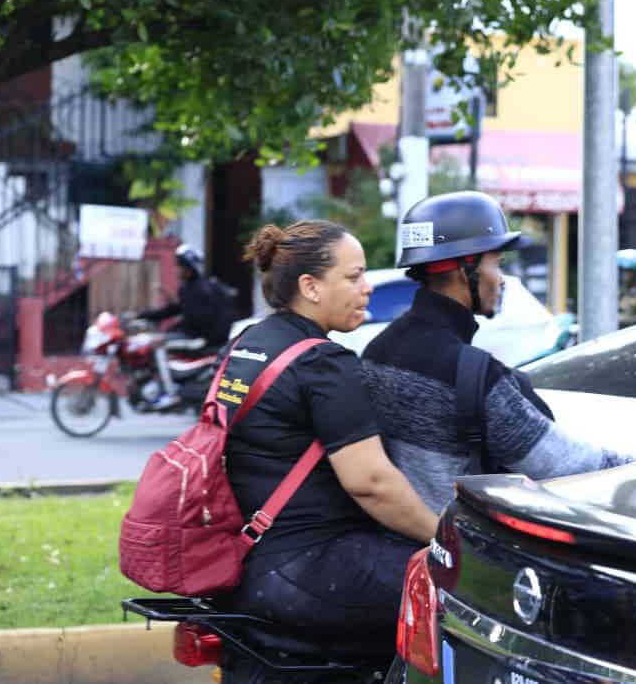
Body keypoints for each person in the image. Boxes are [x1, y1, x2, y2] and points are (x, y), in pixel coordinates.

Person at [221, 220, 438, 652]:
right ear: (311, 286)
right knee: (468, 591)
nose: (367, 287)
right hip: (311, 567)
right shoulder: (324, 363)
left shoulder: (249, 343)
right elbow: (371, 484)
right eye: (353, 276)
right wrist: (443, 538)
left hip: (249, 559)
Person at [361, 191, 634, 514]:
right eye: (496, 263)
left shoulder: (377, 351)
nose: (502, 280)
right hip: (454, 549)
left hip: (398, 538)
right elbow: (571, 465)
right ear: (466, 270)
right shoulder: (473, 374)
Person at [138, 243, 239, 409]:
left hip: (200, 338)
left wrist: (174, 327)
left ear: (190, 268)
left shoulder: (201, 289)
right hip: (192, 334)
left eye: (181, 266)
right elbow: (174, 310)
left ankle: (170, 393)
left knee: (157, 344)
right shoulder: (188, 288)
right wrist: (144, 315)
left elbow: (196, 319)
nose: (177, 270)